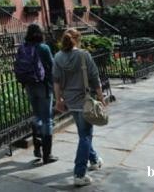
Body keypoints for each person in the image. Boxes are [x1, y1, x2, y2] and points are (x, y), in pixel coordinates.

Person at [53, 28, 105, 187]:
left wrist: (58, 100)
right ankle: (79, 174)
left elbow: (56, 81)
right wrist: (101, 97)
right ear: (78, 39)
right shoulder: (84, 55)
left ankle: (94, 160)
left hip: (70, 101)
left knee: (83, 134)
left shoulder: (58, 57)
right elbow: (95, 77)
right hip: (85, 100)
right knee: (86, 136)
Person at [15, 23, 58, 164]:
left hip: (29, 85)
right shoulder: (44, 48)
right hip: (43, 86)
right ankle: (47, 154)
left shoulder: (23, 48)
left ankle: (37, 148)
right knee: (47, 119)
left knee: (37, 116)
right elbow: (52, 67)